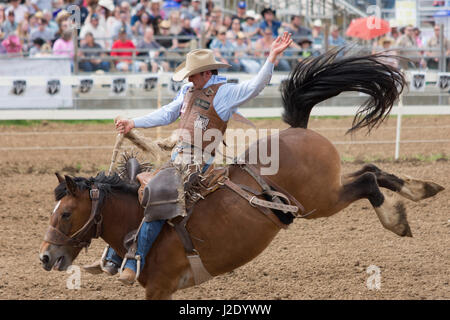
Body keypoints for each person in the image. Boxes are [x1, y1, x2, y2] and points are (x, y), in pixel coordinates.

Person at [84, 32, 294, 285]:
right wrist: (134, 122)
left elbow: (255, 87)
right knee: (135, 190)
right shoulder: (187, 90)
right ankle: (113, 256)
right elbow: (167, 113)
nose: (189, 78)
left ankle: (133, 260)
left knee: (158, 197)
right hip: (177, 159)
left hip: (198, 161)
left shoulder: (224, 93)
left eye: (193, 74)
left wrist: (271, 57)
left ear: (207, 73)